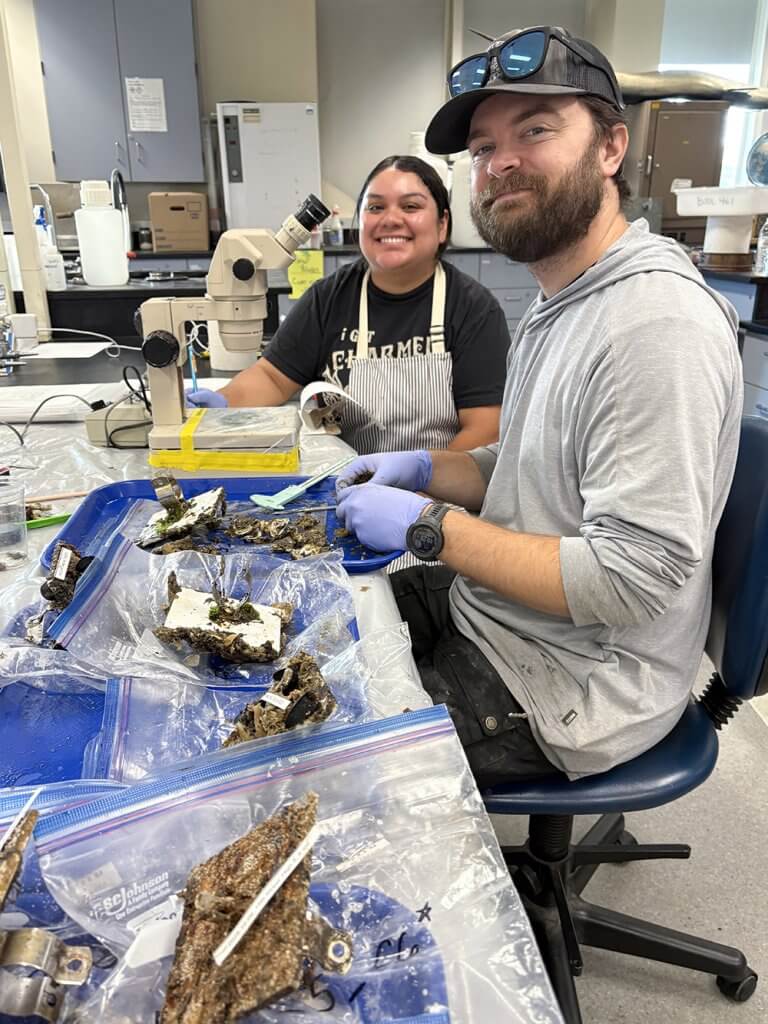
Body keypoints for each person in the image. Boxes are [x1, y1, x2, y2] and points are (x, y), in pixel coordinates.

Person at [334, 26, 743, 786]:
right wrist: (428, 469)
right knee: (310, 624)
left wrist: (428, 529)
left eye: (537, 129)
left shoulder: (654, 324)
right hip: (503, 614)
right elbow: (527, 468)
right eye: (484, 148)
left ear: (611, 148)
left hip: (570, 681)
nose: (501, 161)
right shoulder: (562, 301)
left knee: (312, 759)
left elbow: (630, 578)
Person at [187, 156, 510, 455]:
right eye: (375, 208)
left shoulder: (473, 309)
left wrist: (421, 480)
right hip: (346, 486)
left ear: (442, 225)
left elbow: (485, 428)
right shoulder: (329, 298)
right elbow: (272, 377)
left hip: (438, 496)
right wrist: (222, 404)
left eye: (411, 206)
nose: (391, 219)